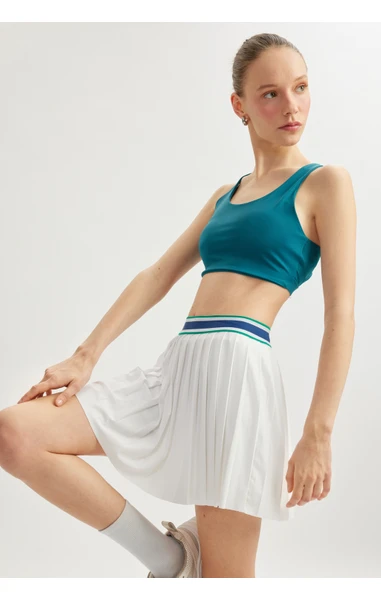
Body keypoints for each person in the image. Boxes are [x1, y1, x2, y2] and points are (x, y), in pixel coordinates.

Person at [0, 32, 356, 578]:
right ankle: (168, 559)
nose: (292, 106)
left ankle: (183, 566)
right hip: (177, 371)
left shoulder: (325, 184)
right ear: (239, 105)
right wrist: (85, 356)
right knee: (16, 435)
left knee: (225, 582)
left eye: (301, 88)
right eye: (271, 94)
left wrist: (318, 433)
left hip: (238, 381)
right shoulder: (224, 196)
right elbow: (158, 274)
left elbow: (341, 315)